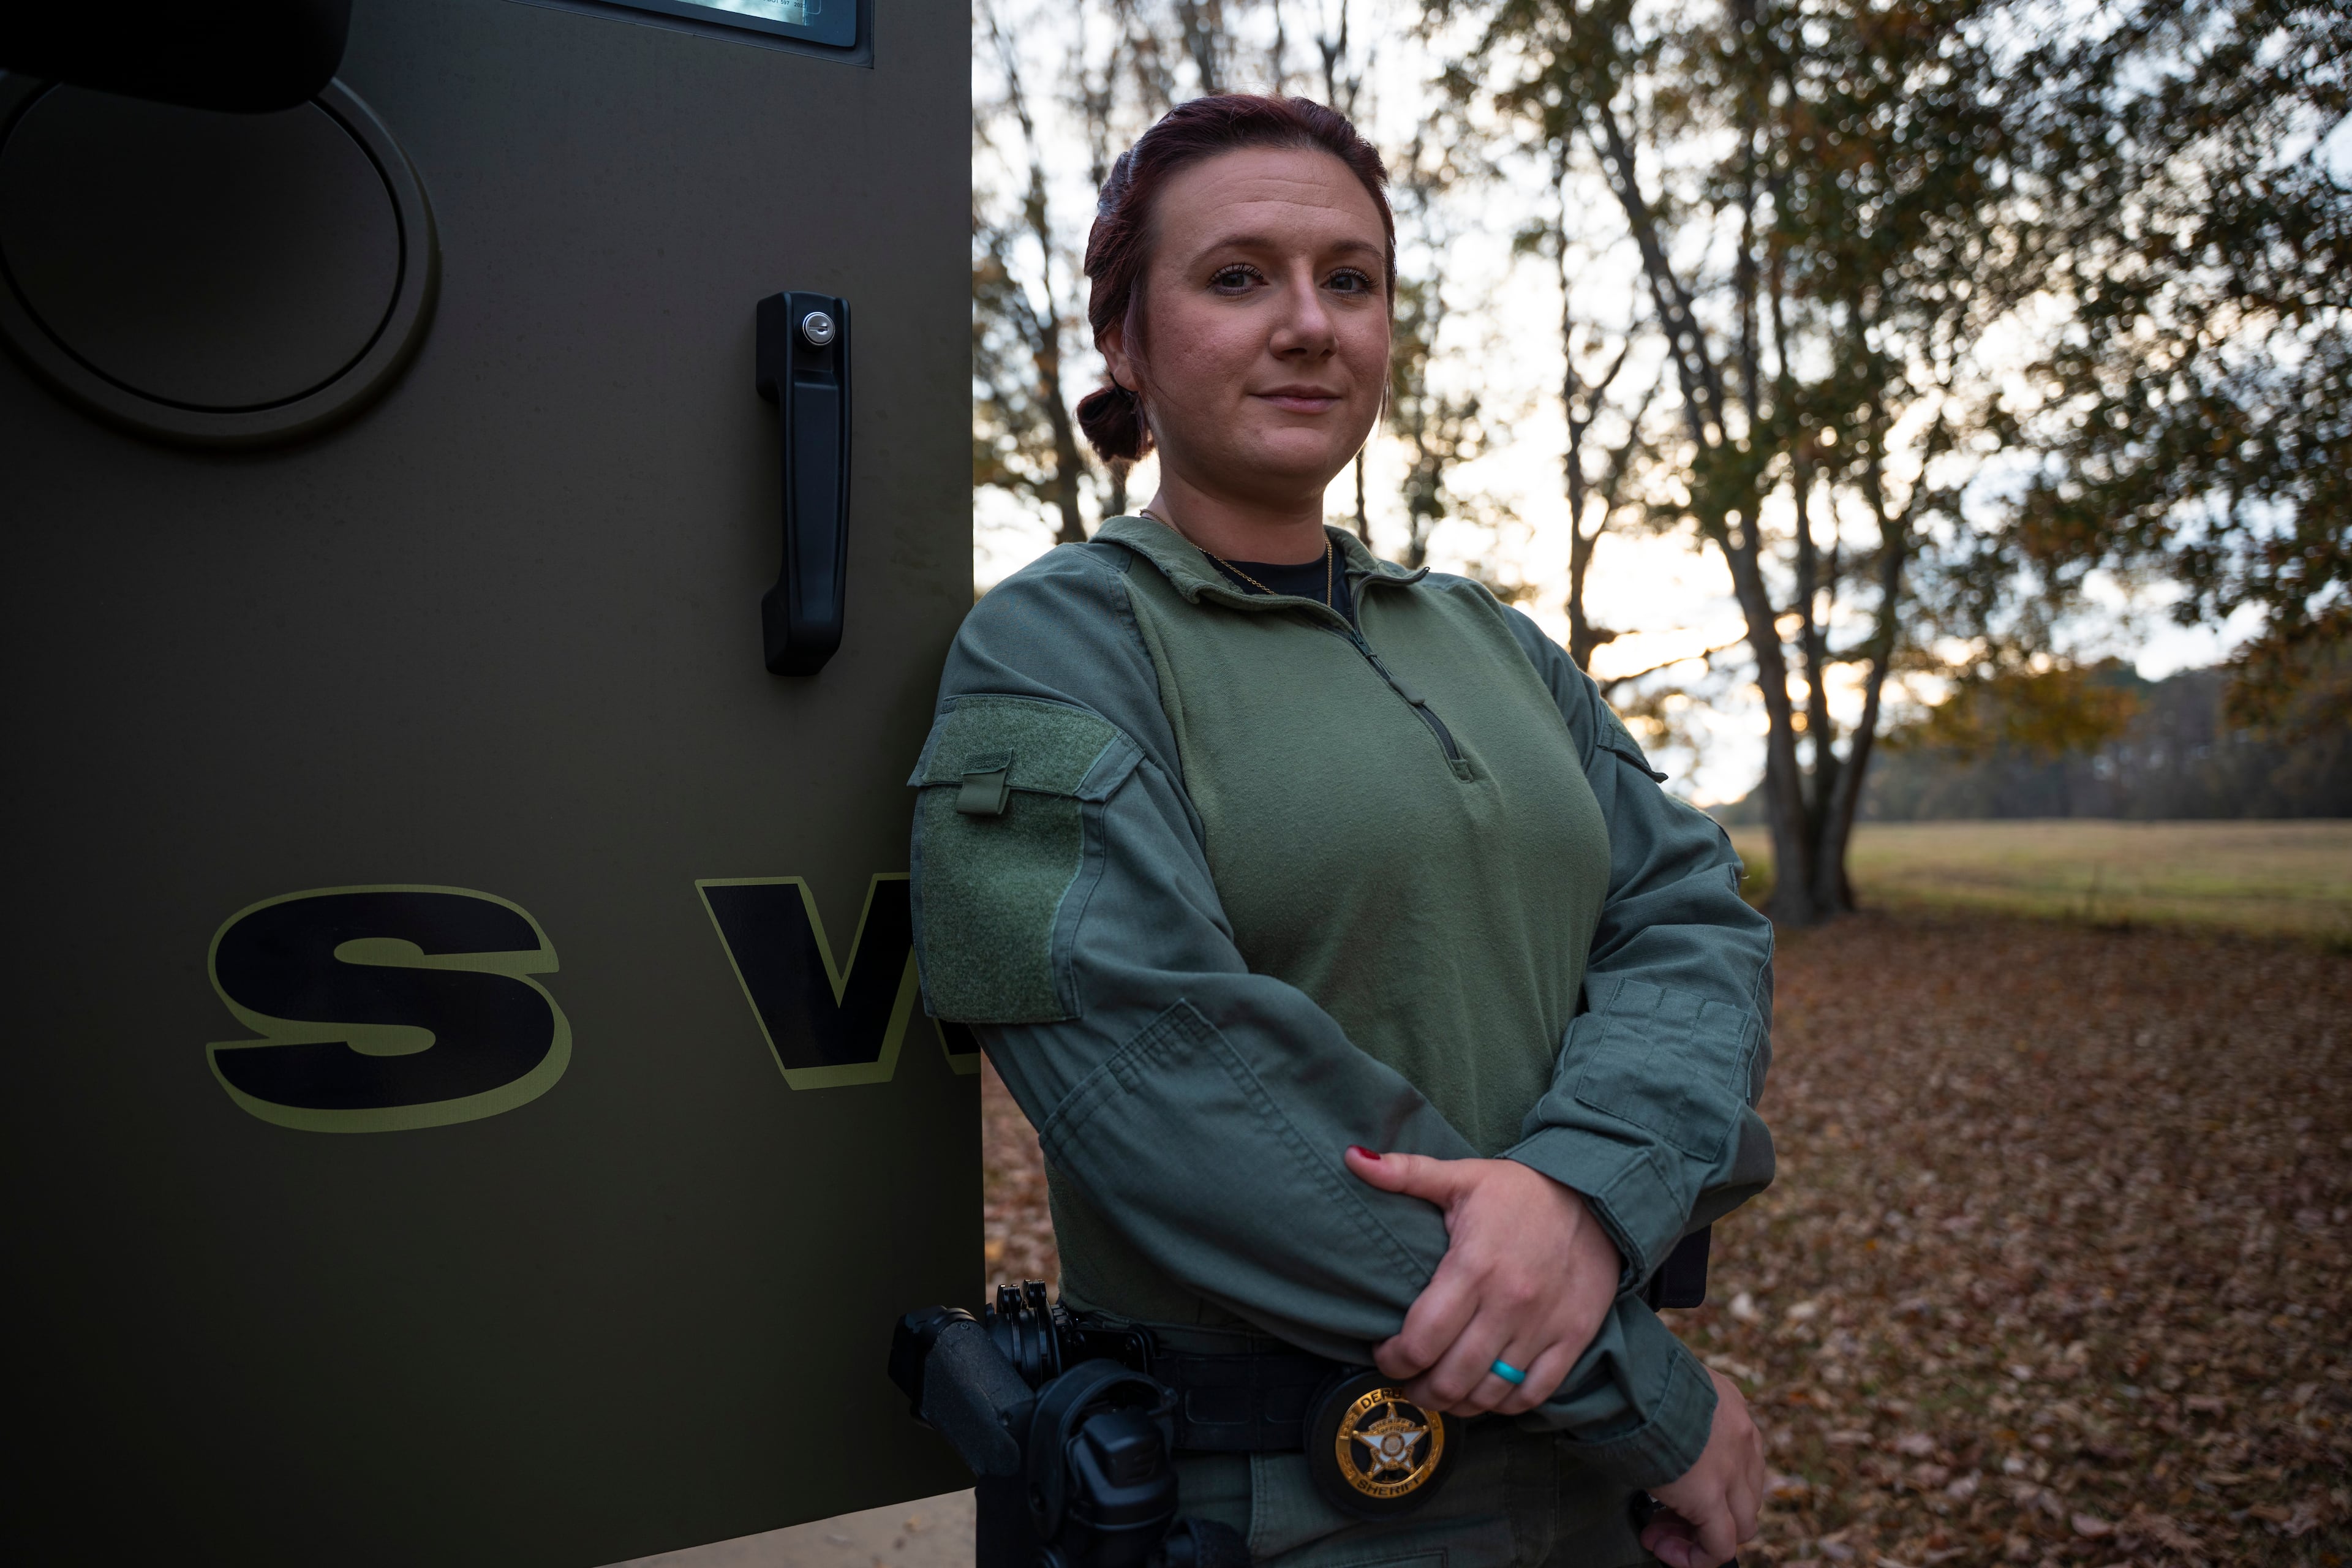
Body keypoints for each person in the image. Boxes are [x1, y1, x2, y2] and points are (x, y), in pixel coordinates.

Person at [910, 94, 1773, 1568]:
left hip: (1583, 1511)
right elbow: (1161, 1089)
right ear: (1125, 339)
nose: (1309, 323)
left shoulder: (1492, 642)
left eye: (1350, 278)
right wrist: (1644, 1396)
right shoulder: (1048, 649)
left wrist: (1579, 1190)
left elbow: (1694, 915)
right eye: (1238, 276)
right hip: (1291, 1506)